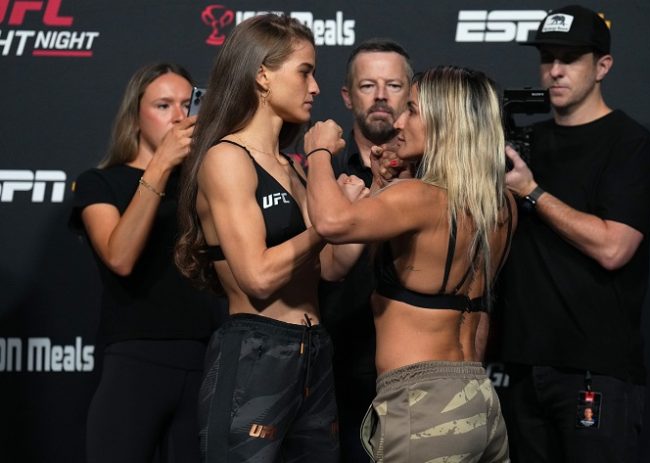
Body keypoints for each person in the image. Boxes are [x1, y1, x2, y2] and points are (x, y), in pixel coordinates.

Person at [174, 14, 365, 462]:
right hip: (257, 353)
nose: (315, 87)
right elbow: (258, 276)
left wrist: (354, 211)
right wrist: (326, 225)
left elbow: (332, 268)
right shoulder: (226, 158)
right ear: (262, 74)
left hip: (314, 352)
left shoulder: (290, 166)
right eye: (304, 71)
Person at [305, 65, 516, 463]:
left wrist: (317, 153)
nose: (399, 121)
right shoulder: (500, 203)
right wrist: (384, 186)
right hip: (477, 400)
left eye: (413, 111)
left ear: (446, 123)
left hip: (427, 408)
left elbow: (332, 222)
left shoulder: (419, 197)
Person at [496, 5, 650, 462]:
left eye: (569, 59)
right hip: (523, 368)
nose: (554, 71)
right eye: (547, 58)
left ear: (602, 65)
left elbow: (613, 247)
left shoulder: (629, 143)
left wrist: (531, 192)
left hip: (595, 369)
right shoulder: (523, 146)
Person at [69, 62, 224, 463]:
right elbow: (119, 257)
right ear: (135, 116)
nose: (178, 116)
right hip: (135, 361)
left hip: (206, 359)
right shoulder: (100, 183)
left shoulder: (206, 186)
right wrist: (160, 165)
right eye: (162, 105)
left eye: (187, 104)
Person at [318, 37, 413, 463]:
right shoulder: (321, 174)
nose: (380, 97)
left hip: (414, 374)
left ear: (412, 95)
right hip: (336, 368)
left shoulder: (434, 177)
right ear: (346, 96)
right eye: (367, 85)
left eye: (393, 86)